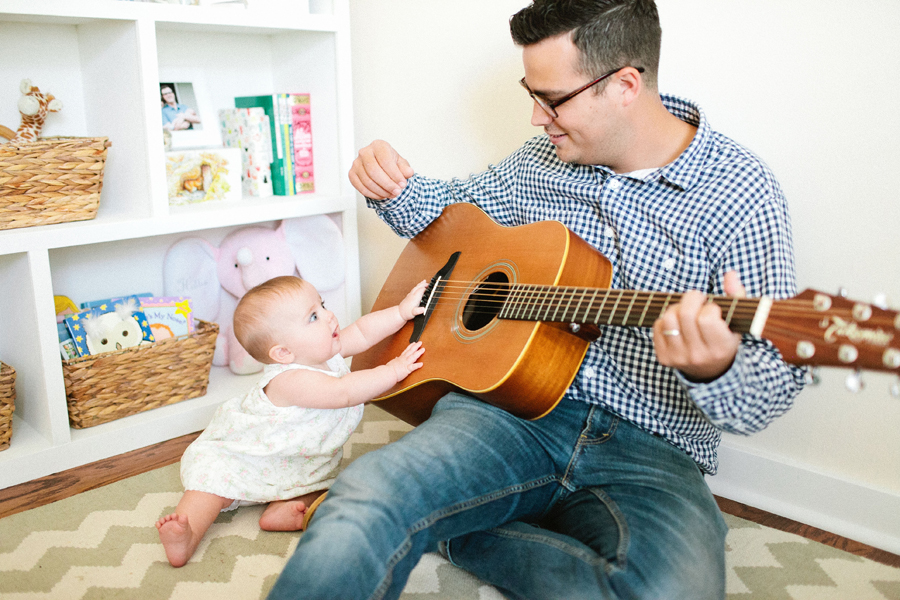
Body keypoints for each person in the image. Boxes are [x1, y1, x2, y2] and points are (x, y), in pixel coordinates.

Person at [268, 1, 809, 598]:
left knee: (671, 591)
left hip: (651, 450)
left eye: (551, 100)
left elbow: (770, 392)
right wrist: (389, 184)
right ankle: (435, 515)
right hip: (505, 414)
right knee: (364, 498)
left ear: (625, 86)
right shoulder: (539, 162)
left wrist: (717, 367)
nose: (535, 117)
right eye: (532, 93)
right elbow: (449, 216)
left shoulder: (742, 194)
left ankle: (455, 529)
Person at [156, 275, 427, 568]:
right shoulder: (289, 380)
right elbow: (344, 392)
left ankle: (280, 510)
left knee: (323, 484)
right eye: (313, 316)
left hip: (298, 458)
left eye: (322, 305)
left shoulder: (325, 352)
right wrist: (393, 370)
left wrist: (401, 312)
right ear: (283, 353)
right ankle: (186, 534)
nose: (328, 316)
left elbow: (362, 331)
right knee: (211, 487)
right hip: (246, 455)